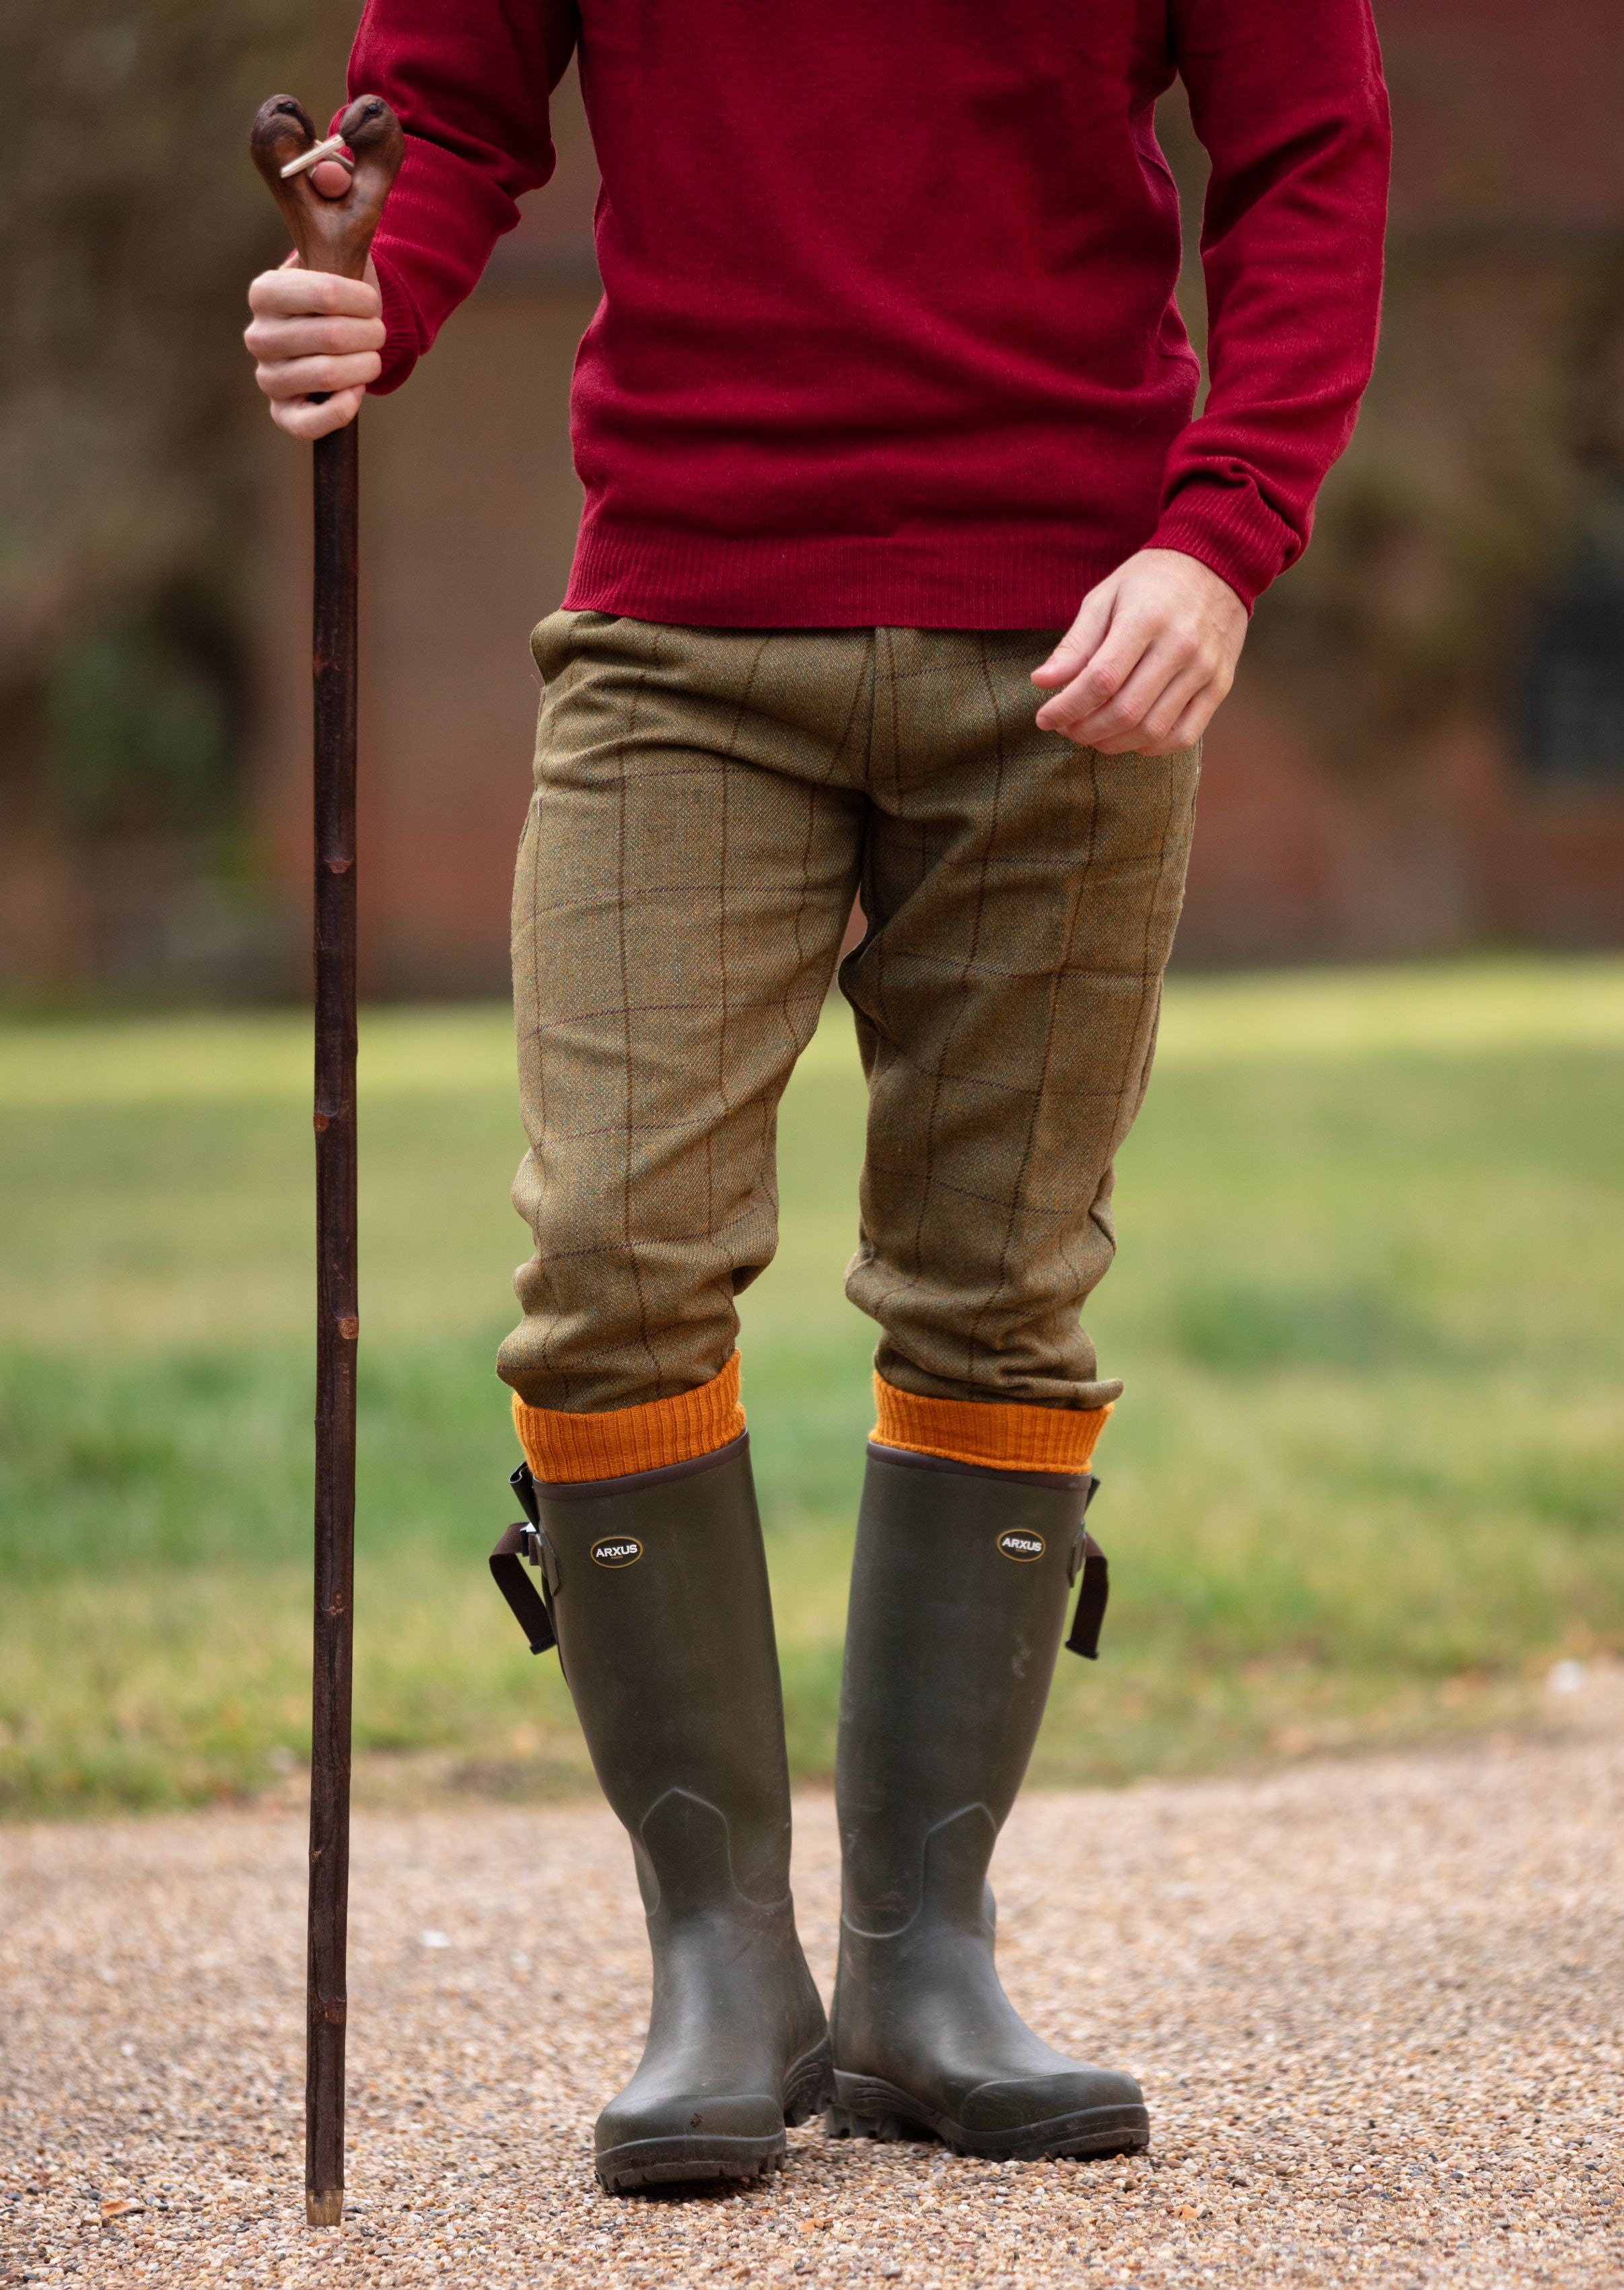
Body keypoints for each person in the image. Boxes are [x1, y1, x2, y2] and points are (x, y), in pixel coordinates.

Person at [246, 0, 1389, 2197]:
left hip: (1077, 631)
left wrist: (1223, 536)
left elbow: (1313, 161)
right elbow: (451, 109)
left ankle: (923, 1968)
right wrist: (369, 285)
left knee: (1000, 1285)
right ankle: (719, 1967)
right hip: (684, 629)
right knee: (607, 1262)